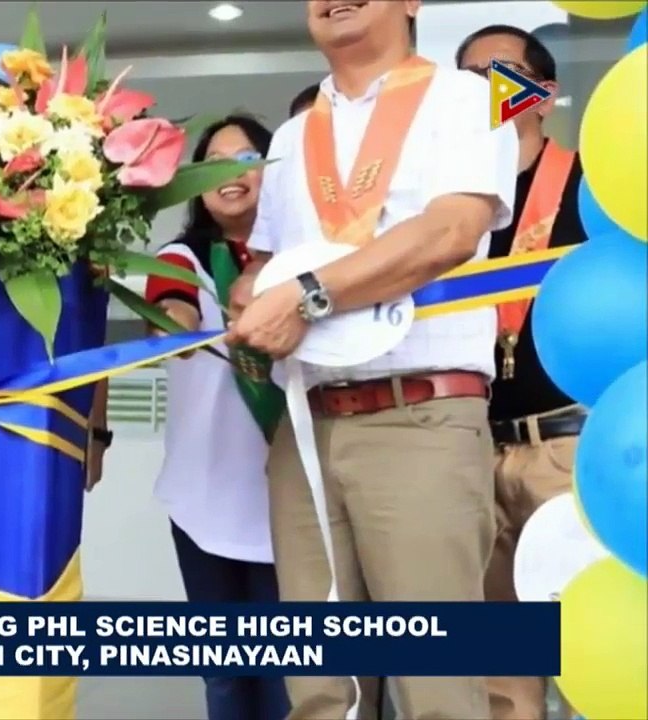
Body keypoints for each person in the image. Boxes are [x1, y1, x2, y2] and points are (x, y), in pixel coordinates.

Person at [227, 1, 518, 718]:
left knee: (437, 687)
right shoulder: (293, 136)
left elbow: (452, 230)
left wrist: (307, 297)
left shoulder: (468, 98)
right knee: (321, 687)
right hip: (306, 428)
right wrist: (249, 300)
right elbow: (262, 266)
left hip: (419, 416)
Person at [141, 115, 290, 720]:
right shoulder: (180, 257)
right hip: (204, 496)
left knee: (287, 672)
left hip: (288, 494)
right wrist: (174, 326)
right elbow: (169, 313)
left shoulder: (299, 258)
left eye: (247, 158)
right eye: (217, 163)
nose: (232, 174)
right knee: (224, 672)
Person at [457, 25, 586, 720]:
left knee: (591, 648)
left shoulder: (595, 189)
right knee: (499, 673)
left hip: (569, 446)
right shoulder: (447, 206)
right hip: (471, 445)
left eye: (501, 73)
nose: (483, 88)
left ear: (544, 92)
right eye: (469, 76)